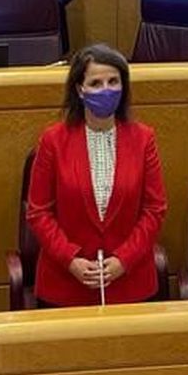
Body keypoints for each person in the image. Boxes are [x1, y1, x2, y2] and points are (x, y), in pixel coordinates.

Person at [26, 44, 167, 307]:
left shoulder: (143, 138)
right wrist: (71, 260)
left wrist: (123, 259)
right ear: (80, 89)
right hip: (66, 284)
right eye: (95, 83)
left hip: (130, 283)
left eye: (113, 81)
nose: (106, 90)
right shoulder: (53, 140)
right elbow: (39, 212)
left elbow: (154, 209)